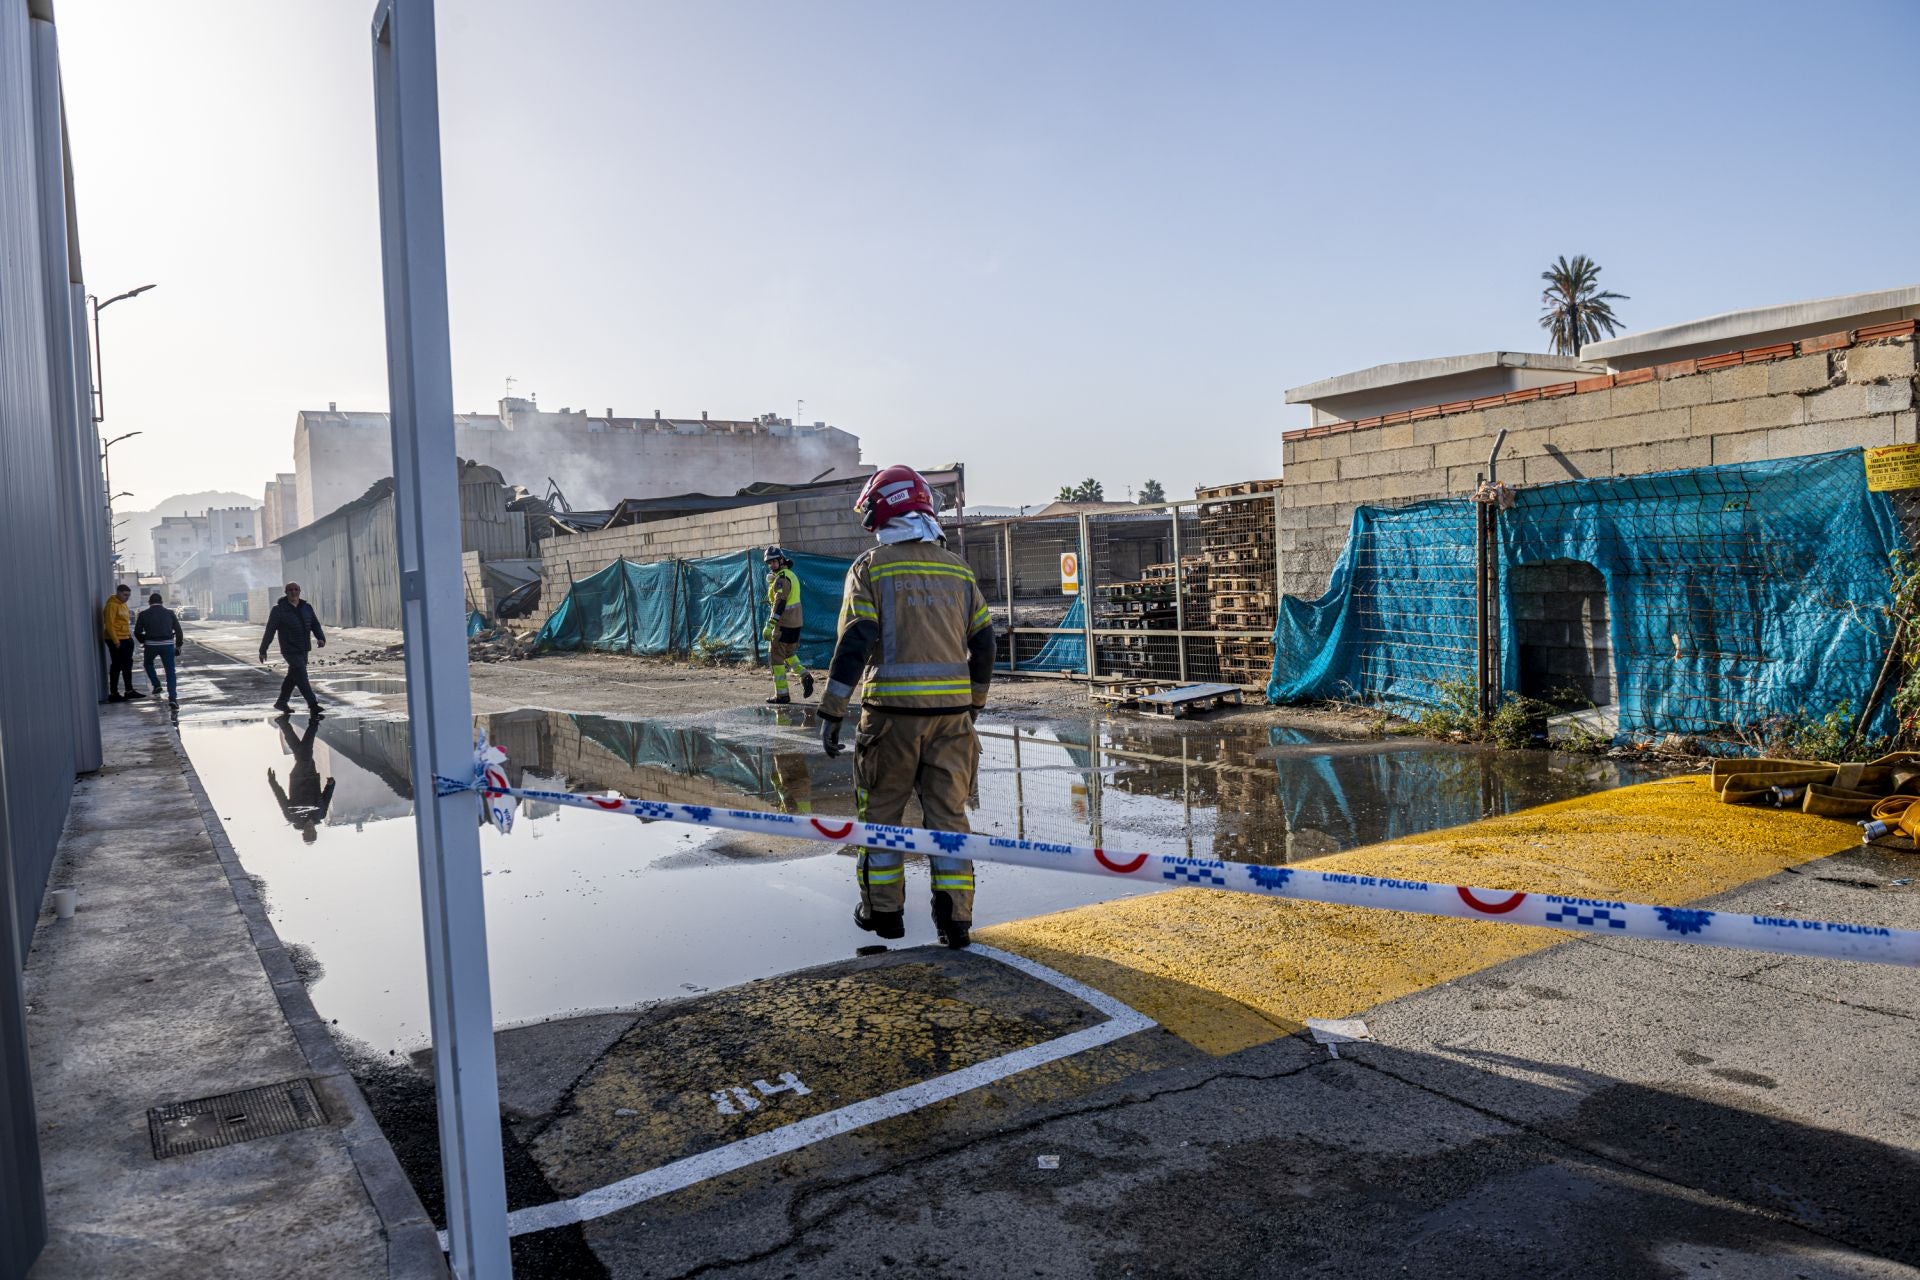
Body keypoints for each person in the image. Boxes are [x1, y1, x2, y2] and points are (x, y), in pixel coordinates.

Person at [817, 465, 994, 950]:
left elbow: (859, 638)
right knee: (950, 820)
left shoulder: (871, 567)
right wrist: (973, 703)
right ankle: (955, 921)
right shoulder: (957, 568)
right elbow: (984, 640)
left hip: (891, 720)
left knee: (882, 816)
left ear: (883, 510)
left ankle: (884, 914)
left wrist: (833, 709)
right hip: (953, 719)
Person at [258, 581, 327, 716]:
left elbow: (315, 624)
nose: (293, 592)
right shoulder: (278, 610)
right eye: (290, 590)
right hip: (289, 649)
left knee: (293, 676)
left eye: (296, 589)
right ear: (286, 592)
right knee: (301, 675)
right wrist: (263, 650)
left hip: (304, 648)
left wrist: (321, 637)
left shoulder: (306, 607)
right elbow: (270, 631)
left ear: (299, 591)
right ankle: (313, 704)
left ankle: (281, 702)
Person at [267, 714, 334, 844]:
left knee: (306, 752)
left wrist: (272, 782)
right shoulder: (320, 815)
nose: (310, 830)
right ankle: (283, 723)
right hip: (312, 776)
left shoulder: (292, 816)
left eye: (307, 833)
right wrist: (331, 785)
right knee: (302, 752)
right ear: (315, 831)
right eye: (312, 832)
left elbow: (281, 798)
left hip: (298, 777)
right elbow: (326, 797)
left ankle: (313, 722)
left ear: (303, 832)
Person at [762, 546, 814, 704]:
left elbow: (780, 602)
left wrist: (771, 623)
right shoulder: (790, 575)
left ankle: (782, 695)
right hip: (796, 623)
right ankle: (805, 675)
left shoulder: (782, 578)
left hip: (783, 624)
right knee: (789, 654)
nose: (771, 565)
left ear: (781, 560)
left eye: (774, 562)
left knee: (776, 657)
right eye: (769, 563)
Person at [134, 591, 186, 705]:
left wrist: (144, 640)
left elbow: (137, 632)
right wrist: (178, 645)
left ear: (149, 603)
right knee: (170, 671)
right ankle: (172, 698)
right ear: (162, 602)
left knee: (148, 664)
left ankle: (156, 684)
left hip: (151, 645)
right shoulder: (170, 613)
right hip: (167, 644)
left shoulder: (143, 614)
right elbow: (178, 631)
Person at [101, 583, 135, 702]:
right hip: (116, 640)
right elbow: (109, 625)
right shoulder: (111, 605)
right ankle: (114, 693)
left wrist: (129, 637)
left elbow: (125, 622)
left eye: (129, 595)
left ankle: (129, 691)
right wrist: (116, 642)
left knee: (127, 665)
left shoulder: (123, 605)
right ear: (118, 593)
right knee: (117, 665)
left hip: (126, 639)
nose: (127, 597)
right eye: (125, 595)